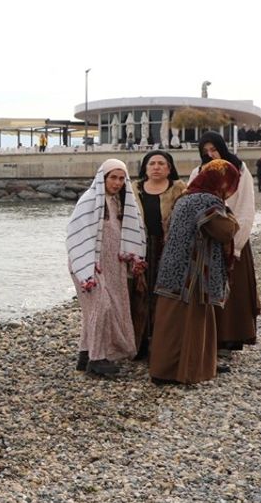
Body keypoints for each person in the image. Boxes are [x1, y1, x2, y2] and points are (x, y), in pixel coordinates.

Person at [150, 159, 241, 385]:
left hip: (171, 270)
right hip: (192, 276)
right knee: (191, 322)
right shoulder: (207, 200)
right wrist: (231, 217)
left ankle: (162, 369)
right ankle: (189, 371)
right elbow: (224, 231)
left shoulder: (185, 197)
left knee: (169, 322)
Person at [66, 159, 146, 377]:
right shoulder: (90, 200)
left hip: (113, 264)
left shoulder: (119, 202)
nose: (118, 182)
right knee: (101, 307)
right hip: (89, 264)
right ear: (103, 178)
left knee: (97, 310)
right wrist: (87, 266)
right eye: (113, 177)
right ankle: (97, 359)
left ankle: (86, 354)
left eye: (122, 178)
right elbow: (76, 235)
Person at [190, 132, 260, 358]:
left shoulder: (239, 170)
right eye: (205, 152)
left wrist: (235, 243)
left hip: (233, 237)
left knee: (233, 290)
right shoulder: (198, 172)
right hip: (206, 240)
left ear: (222, 148)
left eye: (214, 150)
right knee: (206, 289)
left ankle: (230, 338)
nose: (210, 155)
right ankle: (209, 338)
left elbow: (246, 207)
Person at [129, 150, 187, 360]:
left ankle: (163, 344)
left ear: (169, 168)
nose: (156, 167)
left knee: (164, 296)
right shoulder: (135, 189)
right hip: (141, 248)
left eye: (161, 163)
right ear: (145, 168)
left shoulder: (179, 189)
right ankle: (139, 343)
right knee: (139, 294)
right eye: (151, 163)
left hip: (168, 249)